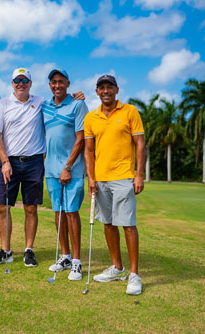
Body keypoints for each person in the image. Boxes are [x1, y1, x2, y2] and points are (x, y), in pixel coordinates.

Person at [83, 74, 145, 295]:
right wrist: (91, 177)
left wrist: (139, 174)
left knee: (127, 224)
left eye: (109, 87)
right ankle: (117, 267)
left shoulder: (130, 111)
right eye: (101, 88)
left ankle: (134, 274)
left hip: (124, 176)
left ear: (117, 90)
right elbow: (89, 151)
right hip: (100, 179)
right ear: (97, 92)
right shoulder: (91, 117)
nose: (105, 91)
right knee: (108, 224)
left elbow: (139, 145)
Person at [0, 68, 46, 267]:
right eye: (16, 81)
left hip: (34, 162)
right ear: (12, 83)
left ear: (30, 83)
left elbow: (60, 104)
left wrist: (75, 97)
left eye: (24, 80)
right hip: (9, 162)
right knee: (1, 207)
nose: (20, 84)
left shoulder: (40, 103)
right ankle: (6, 250)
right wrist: (4, 161)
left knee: (30, 208)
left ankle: (29, 250)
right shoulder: (2, 104)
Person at [43, 69, 88, 280]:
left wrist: (68, 166)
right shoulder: (44, 106)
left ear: (68, 83)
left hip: (72, 170)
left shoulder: (78, 105)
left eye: (61, 82)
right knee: (58, 212)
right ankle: (65, 256)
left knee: (71, 213)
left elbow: (81, 139)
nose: (57, 85)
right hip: (51, 169)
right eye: (53, 82)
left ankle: (77, 262)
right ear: (49, 84)